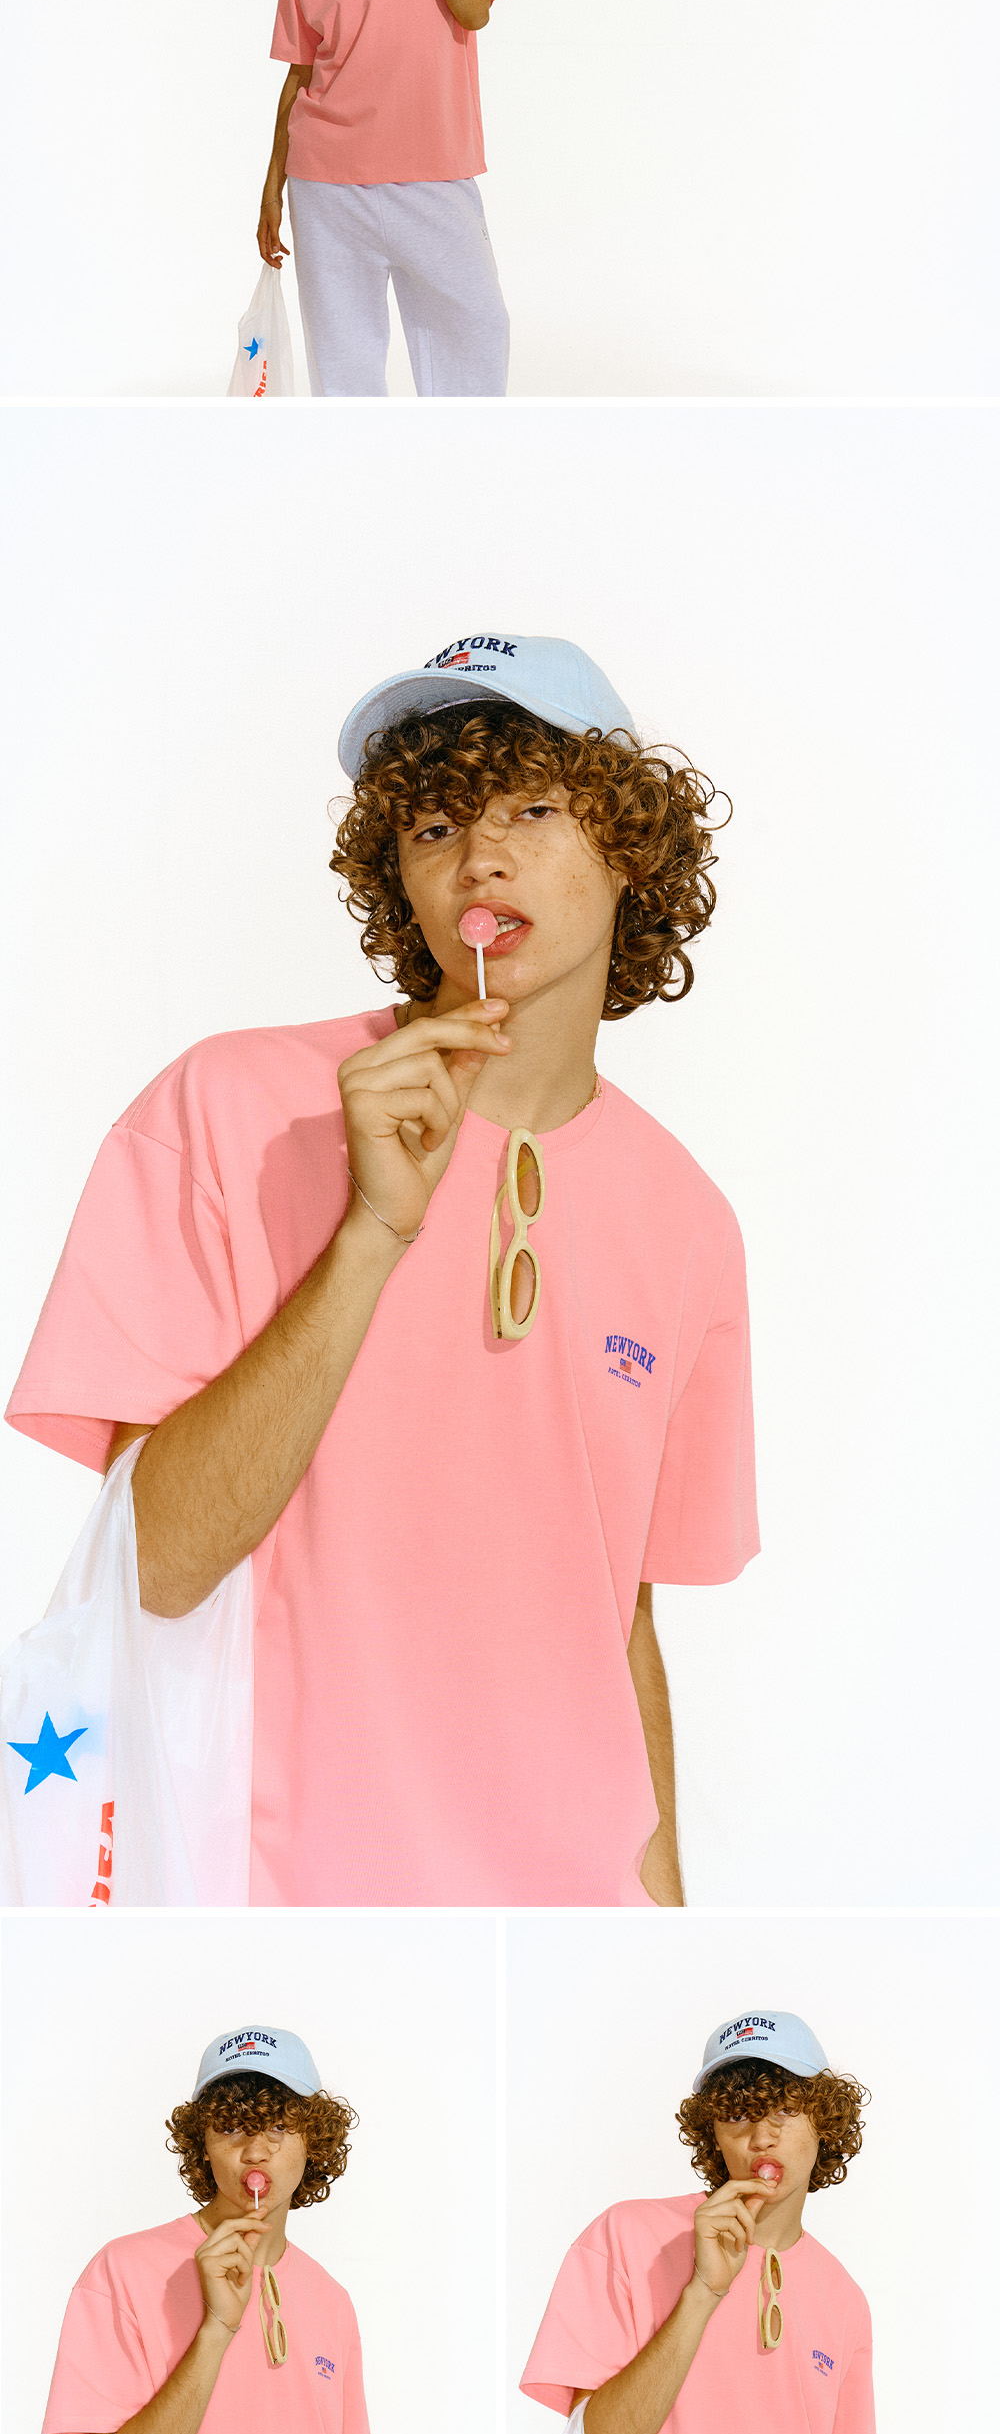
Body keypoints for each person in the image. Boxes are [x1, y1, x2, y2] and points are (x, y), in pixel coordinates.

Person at [6, 630, 757, 1906]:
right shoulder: (227, 1108)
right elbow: (155, 1569)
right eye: (434, 823)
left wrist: (664, 1935)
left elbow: (617, 1613)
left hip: (566, 1926)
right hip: (292, 1908)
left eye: (531, 806)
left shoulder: (688, 1218)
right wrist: (370, 1234)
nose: (480, 855)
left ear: (630, 842)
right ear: (398, 878)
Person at [519, 2004, 877, 2434]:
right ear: (712, 2131)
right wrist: (703, 2292)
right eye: (738, 2113)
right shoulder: (627, 2239)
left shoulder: (844, 2299)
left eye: (784, 2109)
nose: (761, 2136)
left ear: (825, 2121)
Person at [41, 2019, 372, 2434]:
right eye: (231, 2127)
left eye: (278, 2126)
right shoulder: (122, 2274)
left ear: (314, 2140)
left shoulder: (333, 2302)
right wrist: (217, 2329)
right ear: (201, 2146)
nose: (255, 2152)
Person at [259, 0, 509, 394]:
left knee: (476, 333)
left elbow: (474, 12)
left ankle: (464, 453)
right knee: (342, 359)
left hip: (433, 171)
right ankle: (358, 455)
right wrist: (272, 186)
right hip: (326, 183)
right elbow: (299, 76)